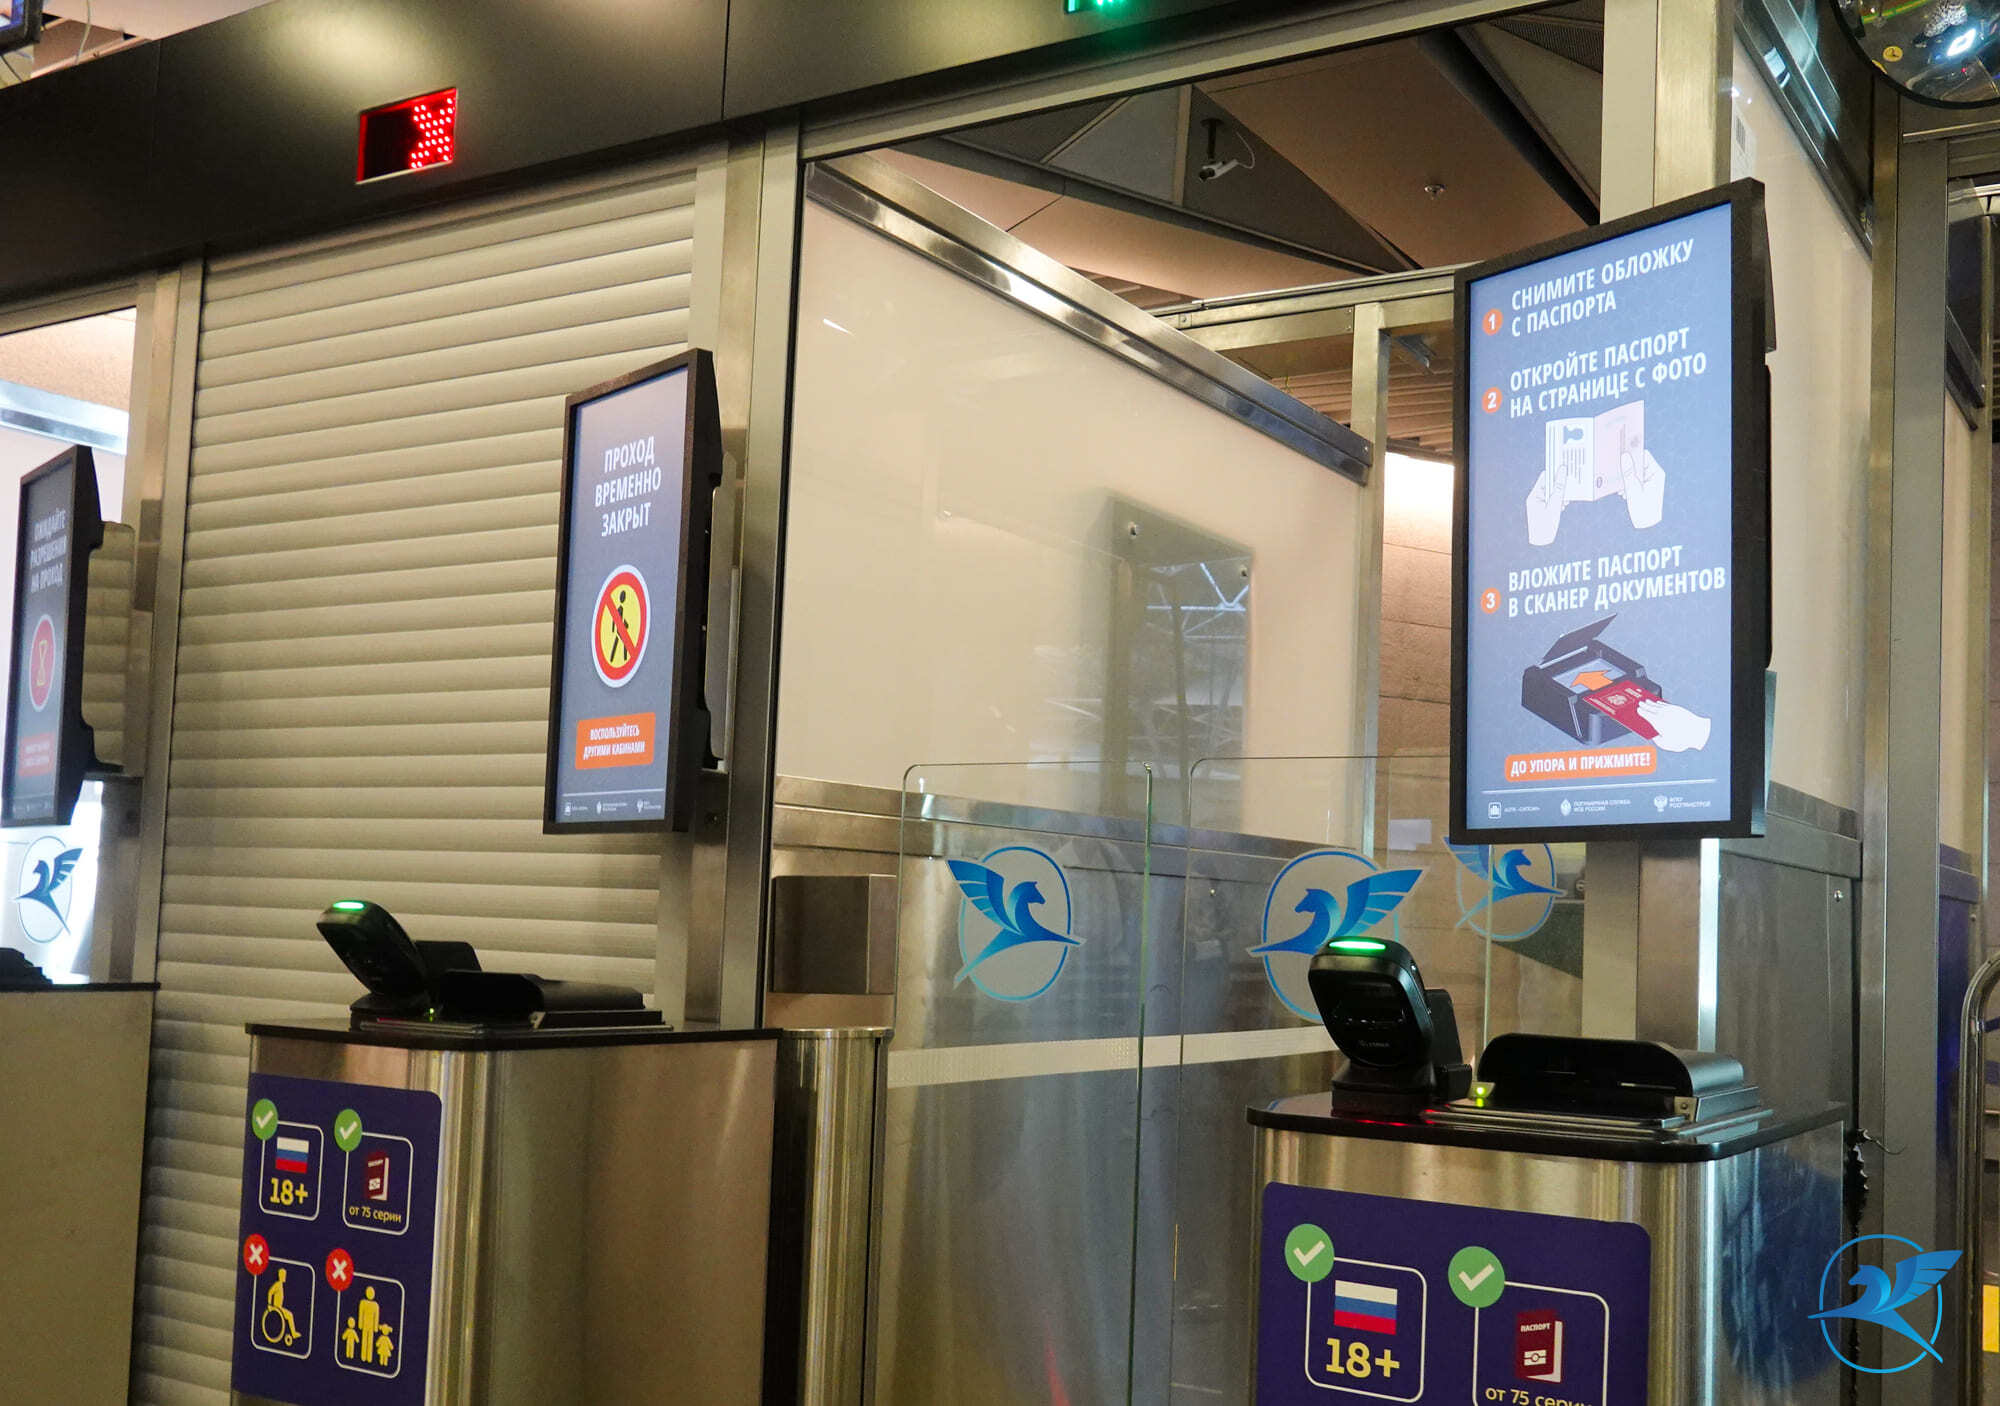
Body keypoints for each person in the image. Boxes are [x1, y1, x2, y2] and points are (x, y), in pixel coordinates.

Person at [262, 1268, 300, 1347]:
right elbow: (270, 1292)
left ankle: (293, 1333)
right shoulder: (277, 1285)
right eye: (284, 1275)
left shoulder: (281, 1285)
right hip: (277, 1308)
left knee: (289, 1315)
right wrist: (269, 1304)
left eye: (285, 1275)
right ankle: (293, 1333)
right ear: (280, 1276)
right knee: (290, 1315)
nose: (285, 1277)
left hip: (279, 1308)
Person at [358, 1285, 380, 1364]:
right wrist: (360, 1324)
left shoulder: (375, 1305)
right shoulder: (363, 1303)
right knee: (364, 1340)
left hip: (371, 1326)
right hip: (365, 1325)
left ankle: (369, 1357)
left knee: (370, 1341)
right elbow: (361, 1314)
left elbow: (376, 1317)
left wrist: (375, 1327)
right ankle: (363, 1356)